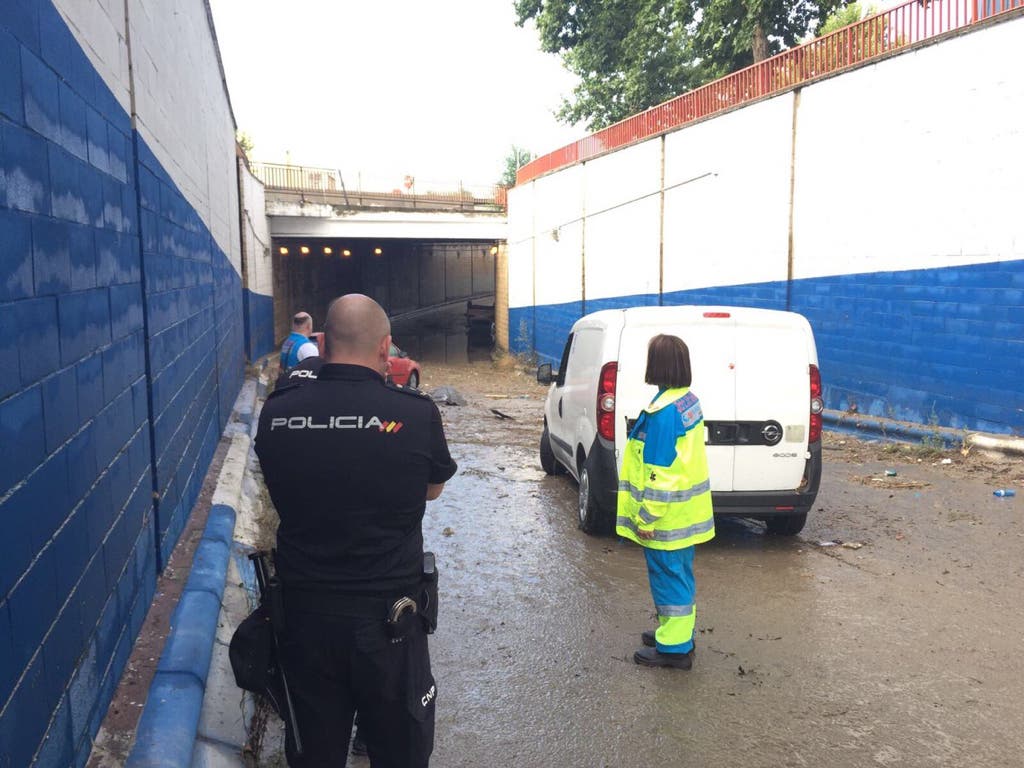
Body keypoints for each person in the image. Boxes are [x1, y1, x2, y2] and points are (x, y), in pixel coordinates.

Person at [255, 294, 458, 766]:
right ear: (386, 348)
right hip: (391, 621)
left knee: (314, 751)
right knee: (399, 750)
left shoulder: (278, 410)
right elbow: (432, 490)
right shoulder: (414, 413)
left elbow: (279, 478)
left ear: (323, 345)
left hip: (305, 618)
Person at [616, 334, 715, 670]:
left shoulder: (663, 414)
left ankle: (674, 650)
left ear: (656, 365)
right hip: (684, 515)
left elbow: (662, 474)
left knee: (668, 577)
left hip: (666, 518)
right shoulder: (685, 401)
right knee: (679, 575)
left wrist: (646, 518)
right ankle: (677, 632)